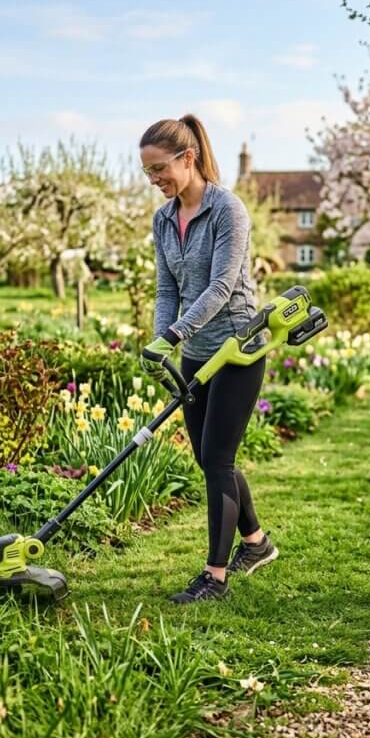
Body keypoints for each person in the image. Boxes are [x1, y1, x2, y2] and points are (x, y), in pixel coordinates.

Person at [138, 114, 278, 604]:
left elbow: (221, 286)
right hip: (197, 353)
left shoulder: (227, 210)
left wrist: (176, 331)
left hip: (238, 348)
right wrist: (162, 341)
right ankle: (257, 543)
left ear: (188, 158)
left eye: (160, 169)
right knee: (208, 457)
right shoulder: (162, 220)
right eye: (148, 173)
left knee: (217, 458)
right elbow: (166, 288)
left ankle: (215, 577)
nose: (155, 181)